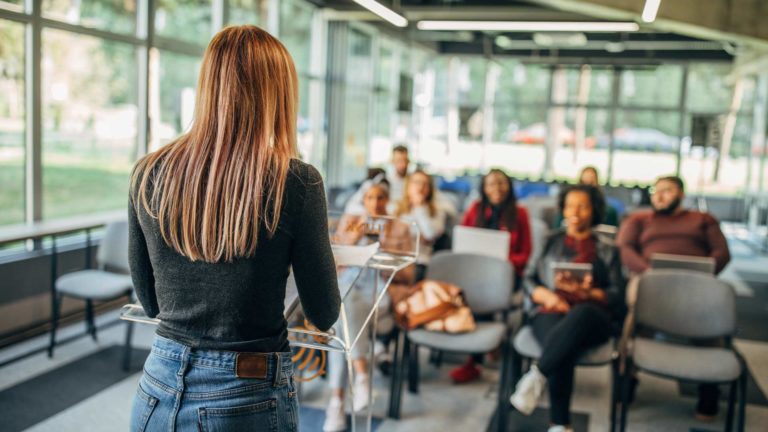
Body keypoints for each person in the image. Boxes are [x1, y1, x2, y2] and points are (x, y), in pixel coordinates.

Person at [127, 26, 340, 432]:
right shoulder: (296, 182)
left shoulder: (148, 172)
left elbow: (152, 304)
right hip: (244, 396)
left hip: (156, 384)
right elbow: (324, 312)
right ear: (278, 95)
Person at [510, 185, 625, 432]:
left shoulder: (608, 249)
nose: (575, 211)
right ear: (562, 208)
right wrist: (545, 295)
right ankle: (561, 426)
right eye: (570, 205)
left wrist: (588, 293)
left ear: (594, 211)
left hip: (593, 316)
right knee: (563, 344)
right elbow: (529, 279)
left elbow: (617, 296)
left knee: (579, 315)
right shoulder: (549, 241)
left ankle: (538, 375)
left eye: (583, 206)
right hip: (551, 309)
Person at [616, 175, 731, 420]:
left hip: (696, 282)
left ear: (681, 194)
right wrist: (649, 274)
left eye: (667, 190)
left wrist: (707, 272)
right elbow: (625, 248)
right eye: (655, 191)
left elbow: (722, 252)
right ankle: (628, 374)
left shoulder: (702, 220)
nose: (659, 195)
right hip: (650, 280)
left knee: (712, 307)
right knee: (637, 302)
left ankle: (709, 386)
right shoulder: (639, 219)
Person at [449, 169, 532, 383]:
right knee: (472, 288)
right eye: (491, 184)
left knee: (482, 291)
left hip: (507, 275)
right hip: (474, 273)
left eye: (501, 183)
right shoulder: (475, 210)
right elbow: (463, 242)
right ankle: (481, 349)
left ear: (509, 186)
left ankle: (474, 360)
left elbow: (525, 253)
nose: (497, 188)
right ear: (484, 188)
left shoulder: (520, 213)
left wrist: (502, 263)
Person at [324, 182, 392, 432]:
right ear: (363, 201)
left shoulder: (398, 226)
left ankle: (336, 404)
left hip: (379, 293)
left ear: (388, 200)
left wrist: (383, 248)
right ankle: (360, 377)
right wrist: (360, 230)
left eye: (381, 197)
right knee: (344, 312)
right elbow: (336, 261)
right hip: (348, 288)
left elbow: (406, 275)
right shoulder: (352, 222)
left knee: (341, 320)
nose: (375, 203)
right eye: (370, 198)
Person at [394, 170, 446, 273]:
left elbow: (430, 235)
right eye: (416, 182)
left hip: (419, 260)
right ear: (408, 185)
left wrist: (419, 207)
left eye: (425, 184)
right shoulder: (396, 209)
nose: (420, 187)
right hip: (396, 257)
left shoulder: (437, 211)